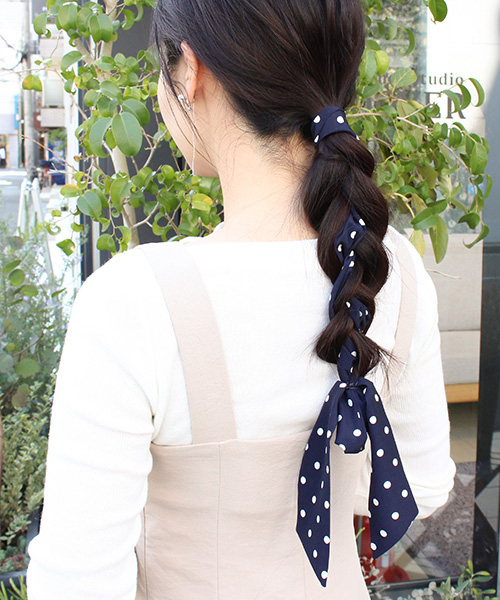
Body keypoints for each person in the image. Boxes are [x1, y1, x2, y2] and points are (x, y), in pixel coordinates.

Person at [26, 0, 456, 598]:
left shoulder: (133, 302)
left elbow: (77, 584)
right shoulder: (391, 266)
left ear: (190, 70)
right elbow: (423, 487)